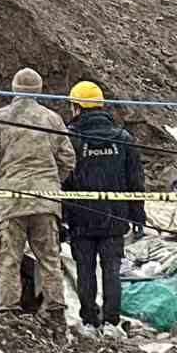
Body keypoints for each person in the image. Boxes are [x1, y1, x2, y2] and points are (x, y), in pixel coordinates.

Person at [0, 67, 76, 318]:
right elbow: (68, 159)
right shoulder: (52, 119)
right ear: (39, 90)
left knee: (9, 259)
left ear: (13, 88)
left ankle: (8, 311)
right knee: (50, 259)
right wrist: (53, 183)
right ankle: (56, 311)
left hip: (11, 200)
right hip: (46, 201)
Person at [63, 81, 145, 335]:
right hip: (114, 216)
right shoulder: (123, 138)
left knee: (85, 269)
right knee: (112, 270)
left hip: (81, 217)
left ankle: (89, 319)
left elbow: (64, 179)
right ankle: (111, 321)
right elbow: (135, 180)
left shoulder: (71, 138)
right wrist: (137, 215)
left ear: (77, 107)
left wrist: (63, 216)